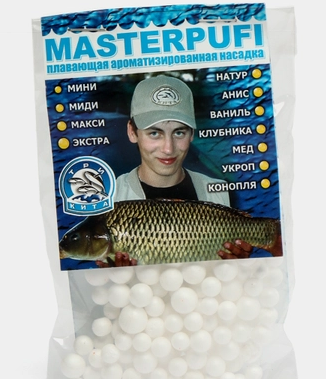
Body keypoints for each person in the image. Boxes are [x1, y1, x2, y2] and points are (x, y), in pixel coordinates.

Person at [100, 75, 256, 267]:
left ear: (192, 134)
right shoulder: (108, 198)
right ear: (132, 132)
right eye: (154, 133)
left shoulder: (222, 192)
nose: (168, 148)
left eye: (179, 132)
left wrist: (238, 267)